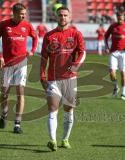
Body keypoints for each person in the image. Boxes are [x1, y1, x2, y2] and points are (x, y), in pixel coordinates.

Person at [40, 6, 86, 151]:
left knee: (69, 110)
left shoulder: (76, 34)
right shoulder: (49, 36)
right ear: (56, 17)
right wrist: (42, 76)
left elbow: (82, 52)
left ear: (69, 17)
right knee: (52, 109)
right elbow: (43, 58)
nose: (63, 18)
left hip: (70, 78)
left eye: (65, 15)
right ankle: (52, 140)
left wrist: (75, 65)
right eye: (60, 15)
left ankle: (65, 139)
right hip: (53, 79)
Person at [0, 3, 38, 134]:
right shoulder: (4, 25)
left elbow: (35, 38)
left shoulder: (27, 25)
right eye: (21, 14)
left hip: (21, 64)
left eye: (24, 13)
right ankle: (4, 113)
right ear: (14, 13)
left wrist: (32, 51)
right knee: (4, 93)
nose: (23, 16)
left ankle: (17, 124)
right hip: (7, 64)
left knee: (20, 93)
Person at [104, 12, 125, 101]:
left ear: (124, 18)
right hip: (113, 52)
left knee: (123, 73)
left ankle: (123, 94)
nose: (120, 19)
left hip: (124, 53)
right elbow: (106, 36)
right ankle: (115, 87)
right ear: (117, 18)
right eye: (119, 18)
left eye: (121, 18)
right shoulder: (113, 26)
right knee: (111, 73)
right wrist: (107, 47)